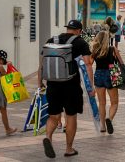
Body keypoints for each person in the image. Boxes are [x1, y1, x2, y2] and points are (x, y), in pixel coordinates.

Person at [38, 20, 94, 158]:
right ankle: (69, 149)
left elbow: (41, 64)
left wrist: (40, 82)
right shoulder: (81, 43)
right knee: (70, 116)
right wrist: (90, 86)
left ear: (67, 29)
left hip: (52, 84)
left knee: (54, 116)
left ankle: (48, 137)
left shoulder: (52, 40)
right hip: (71, 86)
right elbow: (87, 64)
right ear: (79, 31)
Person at [90, 31, 124, 134]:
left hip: (98, 74)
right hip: (113, 73)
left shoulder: (95, 50)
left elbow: (89, 64)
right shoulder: (113, 49)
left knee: (102, 103)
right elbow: (121, 63)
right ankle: (109, 118)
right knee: (114, 102)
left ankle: (102, 126)